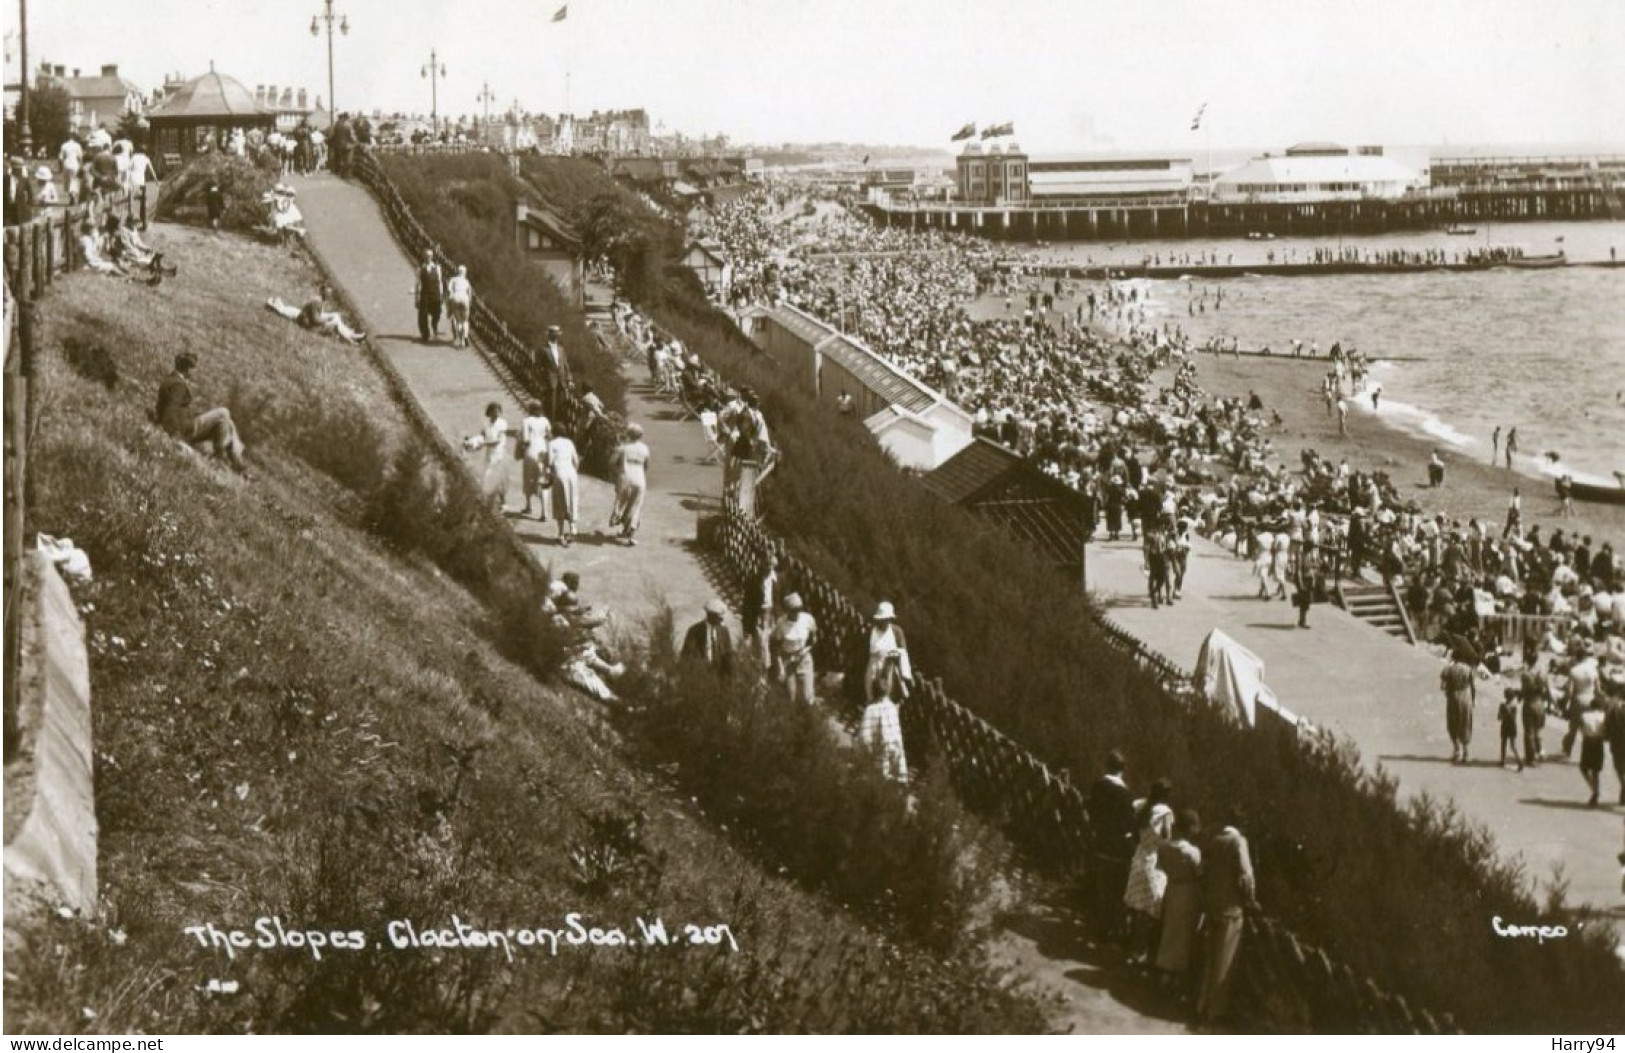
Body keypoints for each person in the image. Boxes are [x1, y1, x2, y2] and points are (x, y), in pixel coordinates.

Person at [1195, 811, 1257, 1027]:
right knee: (1224, 961)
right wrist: (1250, 900)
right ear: (1241, 823)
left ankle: (1201, 1005)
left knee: (1210, 959)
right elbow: (1246, 876)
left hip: (1212, 905)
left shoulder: (1215, 841)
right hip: (1231, 908)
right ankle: (1215, 1013)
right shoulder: (1239, 841)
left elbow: (1202, 871)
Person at [155, 353, 246, 472]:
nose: (191, 373)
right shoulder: (178, 385)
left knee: (228, 423)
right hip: (184, 430)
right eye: (191, 370)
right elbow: (170, 410)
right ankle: (226, 458)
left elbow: (166, 407)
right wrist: (174, 435)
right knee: (223, 413)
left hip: (185, 425)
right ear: (187, 369)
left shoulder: (170, 379)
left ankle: (234, 461)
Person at [1085, 749, 1137, 947]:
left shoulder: (1098, 785)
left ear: (1107, 766)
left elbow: (1092, 810)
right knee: (1116, 892)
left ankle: (1101, 929)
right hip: (1118, 848)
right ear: (1123, 770)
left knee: (1103, 888)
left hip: (1100, 842)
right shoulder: (1125, 794)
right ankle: (1111, 932)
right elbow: (1128, 824)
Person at [1155, 809, 1204, 996]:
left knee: (1170, 930)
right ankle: (1177, 975)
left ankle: (1165, 971)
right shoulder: (1192, 852)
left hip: (1172, 889)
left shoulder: (1164, 847)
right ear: (1190, 829)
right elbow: (1200, 874)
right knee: (1184, 934)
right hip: (1188, 892)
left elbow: (1162, 867)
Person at [858, 653, 909, 782]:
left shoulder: (877, 709)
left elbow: (865, 738)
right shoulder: (887, 708)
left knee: (883, 780)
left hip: (884, 758)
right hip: (889, 756)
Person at [771, 592, 818, 705]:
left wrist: (805, 651)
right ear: (787, 610)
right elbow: (776, 647)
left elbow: (814, 640)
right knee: (791, 696)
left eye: (799, 609)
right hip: (788, 660)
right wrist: (781, 667)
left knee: (808, 697)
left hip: (804, 659)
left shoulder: (807, 619)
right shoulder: (781, 623)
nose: (796, 612)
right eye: (793, 610)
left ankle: (808, 718)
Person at [609, 423, 650, 545]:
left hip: (625, 477)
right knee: (635, 506)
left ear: (628, 434)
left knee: (620, 504)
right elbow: (646, 466)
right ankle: (630, 533)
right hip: (640, 479)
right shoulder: (645, 448)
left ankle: (618, 521)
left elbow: (611, 462)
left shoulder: (623, 448)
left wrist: (616, 473)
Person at [465, 401, 510, 513]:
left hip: (499, 454)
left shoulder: (503, 423)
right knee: (487, 477)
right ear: (489, 412)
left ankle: (504, 503)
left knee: (498, 479)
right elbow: (482, 436)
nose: (497, 413)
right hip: (489, 455)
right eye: (494, 411)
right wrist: (472, 442)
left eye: (498, 411)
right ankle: (487, 502)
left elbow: (498, 441)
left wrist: (483, 444)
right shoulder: (487, 424)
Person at [863, 601, 912, 702]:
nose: (884, 622)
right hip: (874, 664)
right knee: (870, 690)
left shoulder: (896, 631)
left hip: (890, 664)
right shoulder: (871, 632)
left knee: (889, 691)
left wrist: (896, 653)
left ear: (890, 619)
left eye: (886, 620)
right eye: (882, 620)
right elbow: (865, 651)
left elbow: (904, 651)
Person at [680, 599, 735, 678]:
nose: (721, 621)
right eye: (718, 618)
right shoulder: (695, 630)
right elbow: (687, 654)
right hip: (701, 675)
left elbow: (728, 653)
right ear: (710, 615)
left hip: (720, 675)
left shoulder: (724, 631)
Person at [741, 554, 779, 668]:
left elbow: (781, 600)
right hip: (760, 614)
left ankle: (775, 673)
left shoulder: (778, 580)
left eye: (771, 565)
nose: (768, 568)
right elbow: (747, 604)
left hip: (774, 614)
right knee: (761, 644)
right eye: (766, 564)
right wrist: (746, 626)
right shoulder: (754, 580)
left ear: (774, 566)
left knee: (775, 643)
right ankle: (762, 673)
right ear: (761, 565)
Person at [1441, 650, 1476, 764]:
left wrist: (1449, 689)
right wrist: (1473, 700)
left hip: (1453, 697)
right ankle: (1466, 752)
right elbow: (1473, 687)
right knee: (1465, 723)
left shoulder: (1448, 669)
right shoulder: (1468, 669)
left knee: (1453, 723)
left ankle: (1456, 750)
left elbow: (1442, 686)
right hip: (1466, 697)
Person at [547, 426, 581, 546]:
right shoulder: (569, 443)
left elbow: (550, 461)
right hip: (571, 473)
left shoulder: (551, 444)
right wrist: (573, 471)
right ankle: (573, 528)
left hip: (560, 474)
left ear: (554, 432)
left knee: (560, 503)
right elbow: (576, 461)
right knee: (572, 500)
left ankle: (561, 534)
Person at [519, 402, 551, 519]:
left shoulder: (526, 421)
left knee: (528, 479)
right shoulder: (545, 421)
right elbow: (550, 437)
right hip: (542, 451)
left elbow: (525, 440)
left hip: (530, 451)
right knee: (543, 482)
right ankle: (544, 512)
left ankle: (529, 505)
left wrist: (520, 448)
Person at [1576, 699, 1608, 808]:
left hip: (1588, 742)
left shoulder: (1584, 715)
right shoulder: (1604, 716)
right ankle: (1596, 791)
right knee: (1596, 770)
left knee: (1584, 767)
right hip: (1598, 742)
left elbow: (1581, 728)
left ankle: (1594, 790)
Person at [414, 253, 445, 343]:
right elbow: (417, 284)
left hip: (435, 293)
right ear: (424, 257)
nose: (428, 258)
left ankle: (434, 324)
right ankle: (425, 334)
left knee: (437, 312)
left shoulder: (437, 268)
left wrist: (441, 294)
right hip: (425, 294)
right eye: (426, 256)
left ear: (432, 257)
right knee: (423, 314)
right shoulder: (420, 269)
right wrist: (416, 298)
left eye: (430, 256)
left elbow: (440, 282)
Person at [1293, 541, 1323, 629]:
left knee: (1307, 600)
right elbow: (1298, 570)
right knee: (1304, 600)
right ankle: (1302, 621)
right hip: (1302, 579)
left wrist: (1313, 579)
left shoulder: (1309, 556)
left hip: (1309, 578)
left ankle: (1302, 620)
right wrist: (1300, 582)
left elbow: (1310, 569)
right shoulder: (1300, 556)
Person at [446, 264, 473, 348]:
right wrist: (469, 303)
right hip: (465, 299)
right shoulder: (466, 281)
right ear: (465, 273)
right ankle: (465, 336)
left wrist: (448, 304)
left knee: (458, 321)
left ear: (457, 271)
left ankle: (461, 341)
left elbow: (449, 291)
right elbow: (469, 293)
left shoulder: (453, 280)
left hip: (456, 298)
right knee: (465, 320)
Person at [1498, 688, 1524, 772]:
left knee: (1503, 744)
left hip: (1505, 726)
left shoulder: (1502, 705)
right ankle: (1519, 760)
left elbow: (1499, 717)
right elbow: (1513, 717)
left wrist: (1503, 714)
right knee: (1513, 746)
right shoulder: (1514, 707)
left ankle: (1502, 760)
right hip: (1512, 726)